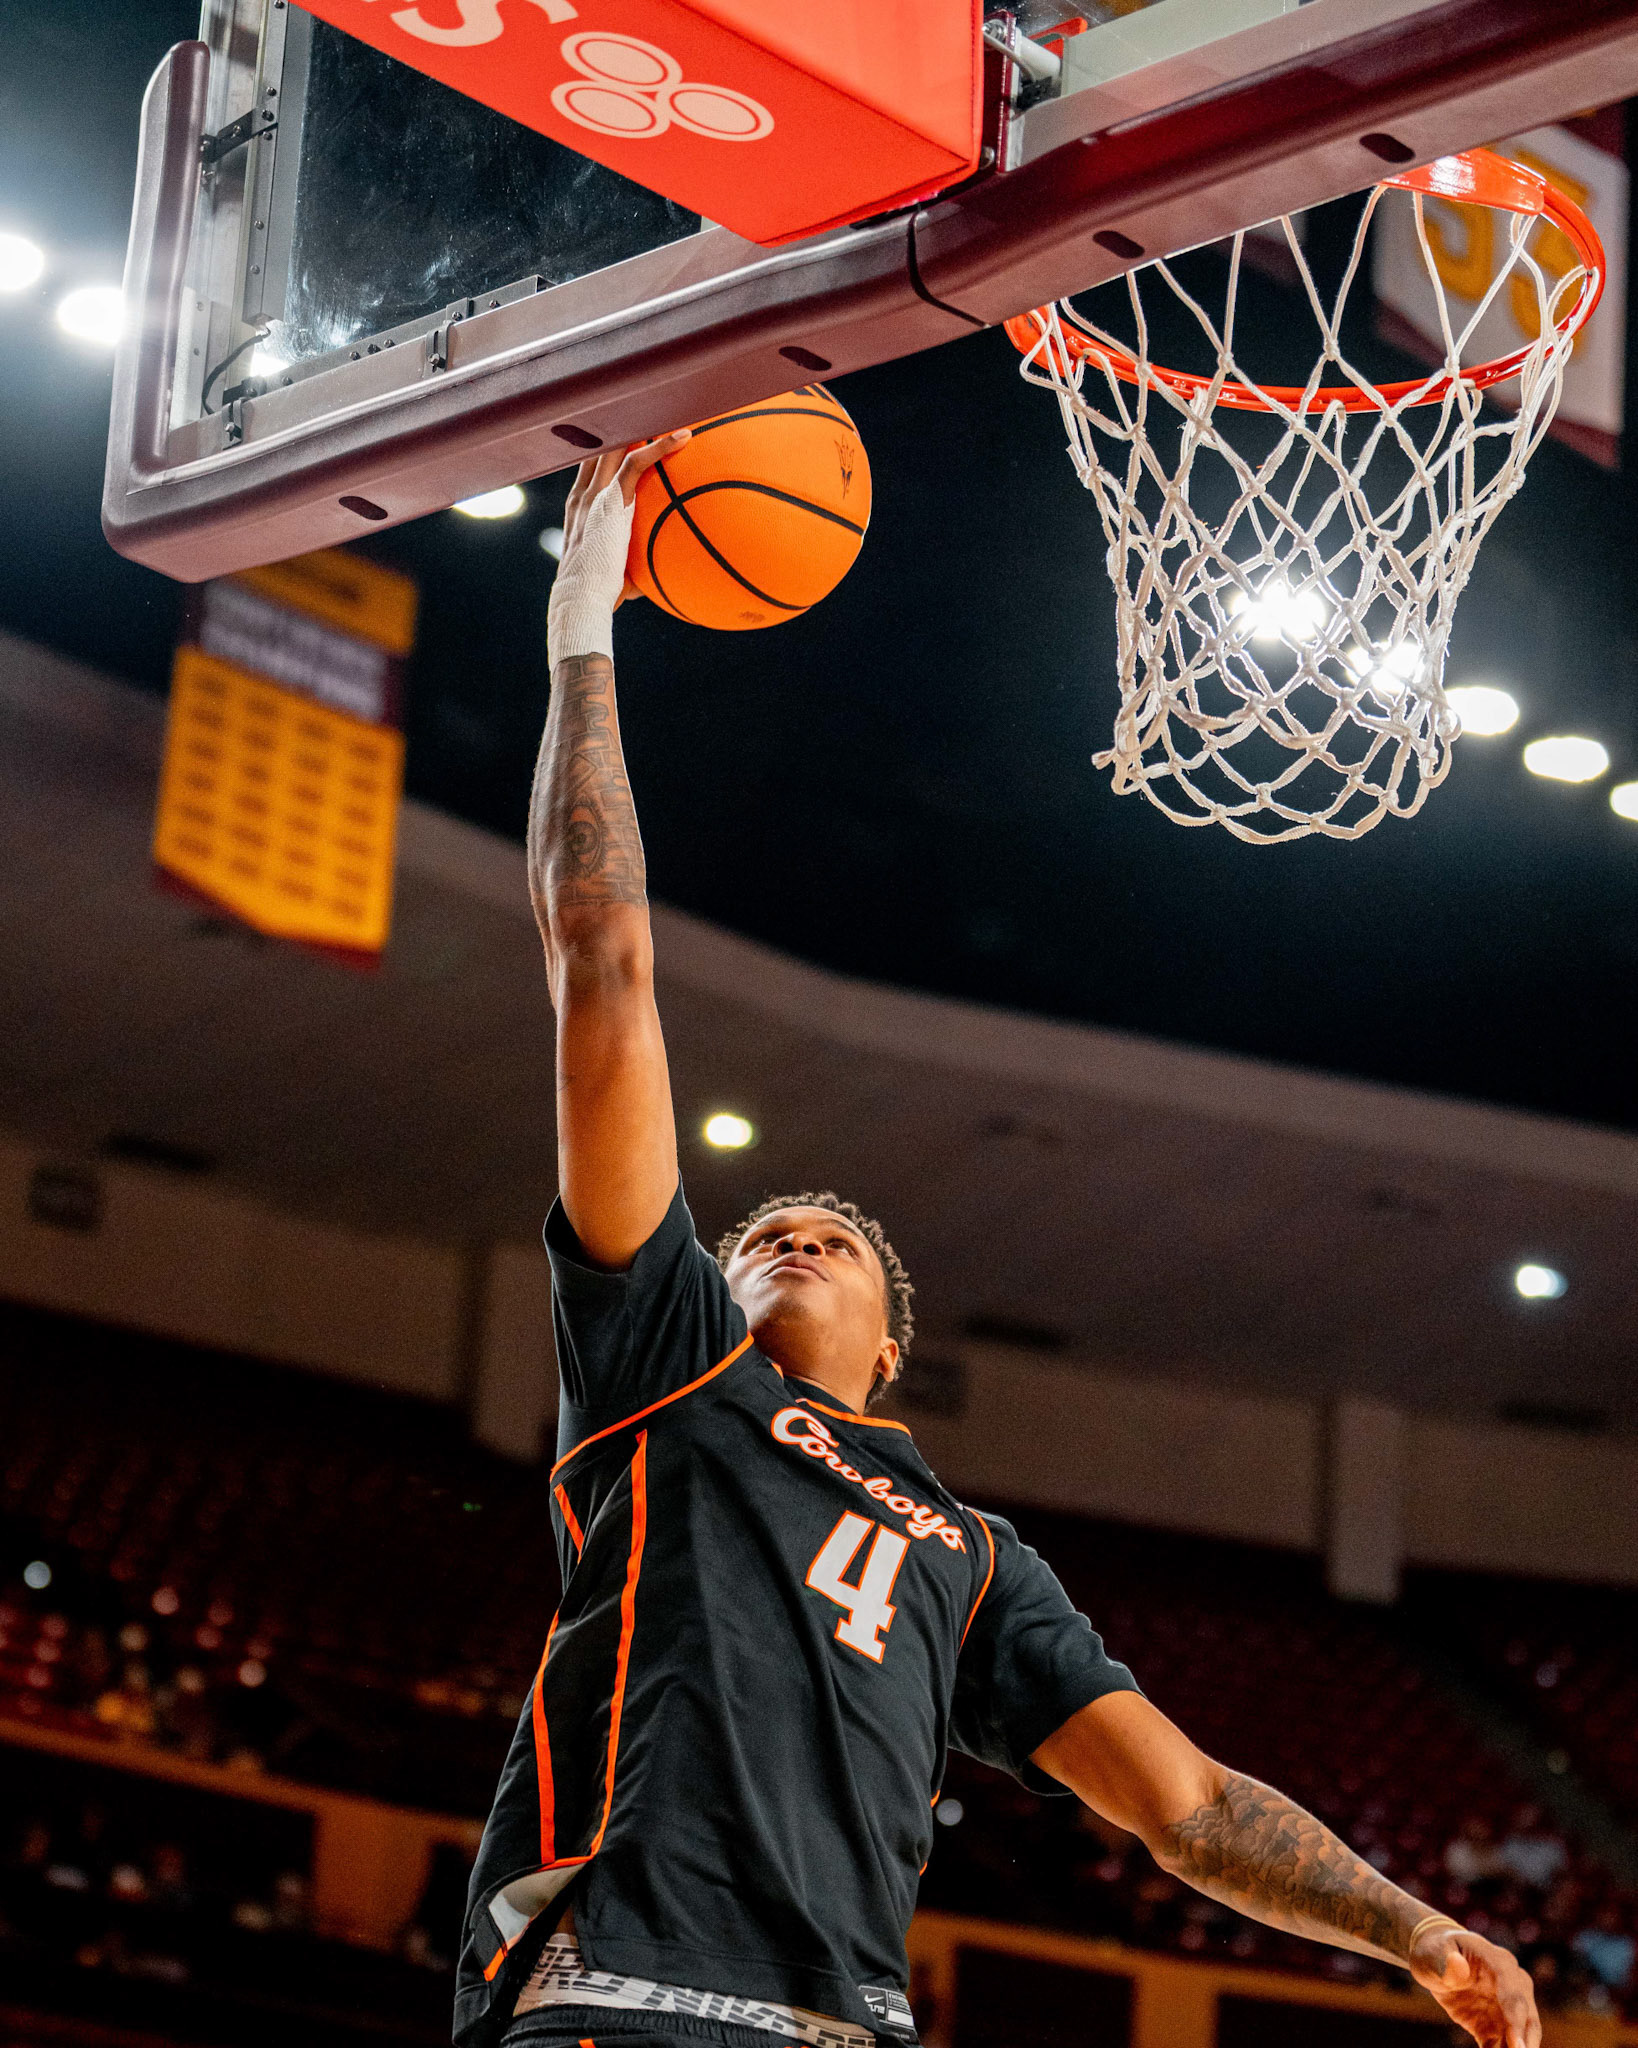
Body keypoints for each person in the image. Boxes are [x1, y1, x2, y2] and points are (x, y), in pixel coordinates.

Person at [456, 443, 1543, 2048]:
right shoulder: (667, 1373)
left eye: (834, 1238)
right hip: (624, 1990)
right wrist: (580, 633)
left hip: (852, 2025)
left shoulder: (973, 1560)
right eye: (763, 1233)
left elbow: (1184, 1807)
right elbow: (601, 957)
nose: (792, 1240)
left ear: (896, 1340)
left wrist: (1408, 1927)